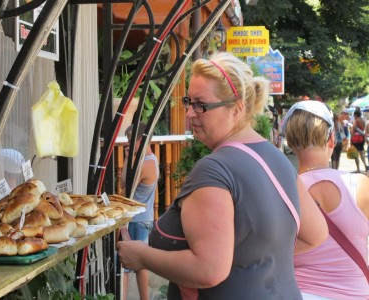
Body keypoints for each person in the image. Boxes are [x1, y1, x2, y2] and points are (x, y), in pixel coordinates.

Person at [117, 52, 328, 299]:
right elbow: (316, 234)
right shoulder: (278, 158)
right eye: (188, 102)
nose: (189, 114)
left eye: (201, 105)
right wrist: (250, 261)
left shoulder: (214, 169)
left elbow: (208, 270)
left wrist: (141, 256)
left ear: (236, 110)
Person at [283, 100, 369, 299]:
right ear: (331, 140)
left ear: (289, 140)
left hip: (302, 293)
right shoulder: (360, 185)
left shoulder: (284, 191)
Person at [120, 121, 159, 300]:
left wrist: (128, 159)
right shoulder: (150, 160)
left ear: (142, 139)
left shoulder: (145, 164)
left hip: (136, 220)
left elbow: (124, 187)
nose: (128, 144)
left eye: (130, 140)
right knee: (140, 266)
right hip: (144, 218)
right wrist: (129, 158)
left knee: (126, 266)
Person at [350, 108, 367, 173]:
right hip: (361, 138)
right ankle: (366, 166)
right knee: (361, 153)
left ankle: (358, 169)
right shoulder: (363, 121)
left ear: (356, 115)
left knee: (356, 154)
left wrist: (351, 138)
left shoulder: (356, 120)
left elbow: (354, 129)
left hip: (356, 138)